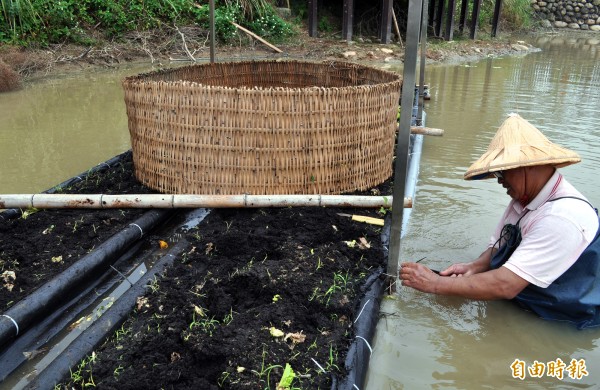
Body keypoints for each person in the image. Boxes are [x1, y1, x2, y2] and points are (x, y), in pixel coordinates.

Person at [399, 113, 600, 329]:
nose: (500, 181)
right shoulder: (525, 198)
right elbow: (501, 243)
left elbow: (505, 285)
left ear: (527, 166)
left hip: (561, 319)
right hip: (527, 296)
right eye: (497, 174)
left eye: (503, 172)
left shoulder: (561, 218)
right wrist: (475, 266)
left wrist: (437, 284)